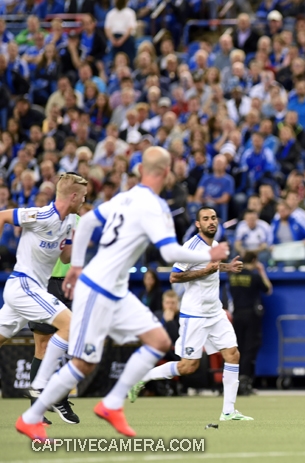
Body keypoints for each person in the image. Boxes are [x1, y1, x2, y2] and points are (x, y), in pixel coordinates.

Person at [16, 147, 231, 441]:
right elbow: (169, 252)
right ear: (167, 173)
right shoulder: (155, 206)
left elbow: (89, 221)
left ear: (142, 170)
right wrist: (212, 255)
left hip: (113, 287)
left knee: (158, 341)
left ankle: (111, 404)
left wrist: (76, 265)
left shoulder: (125, 196)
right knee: (84, 362)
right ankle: (31, 417)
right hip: (99, 288)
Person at [129, 206, 252, 421]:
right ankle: (143, 377)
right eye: (206, 219)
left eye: (213, 218)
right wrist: (206, 271)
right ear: (198, 224)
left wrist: (227, 268)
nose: (211, 222)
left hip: (214, 311)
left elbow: (211, 266)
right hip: (194, 314)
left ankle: (228, 411)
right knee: (188, 366)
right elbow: (174, 277)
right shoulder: (191, 247)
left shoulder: (214, 245)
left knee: (233, 354)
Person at [0, 173, 88, 426]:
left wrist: (79, 242)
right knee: (71, 326)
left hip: (34, 290)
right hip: (22, 286)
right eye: (82, 196)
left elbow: (64, 258)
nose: (84, 199)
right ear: (72, 196)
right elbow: (3, 216)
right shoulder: (41, 215)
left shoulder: (71, 220)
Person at [27, 212, 81, 426]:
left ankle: (60, 398)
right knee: (42, 346)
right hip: (44, 282)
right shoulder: (41, 218)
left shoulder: (80, 221)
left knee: (73, 344)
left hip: (71, 285)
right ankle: (37, 407)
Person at [228, 251, 273, 395]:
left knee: (238, 348)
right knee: (250, 348)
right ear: (254, 260)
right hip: (251, 315)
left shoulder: (232, 276)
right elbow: (268, 289)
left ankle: (235, 381)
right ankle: (245, 380)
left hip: (237, 315)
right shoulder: (254, 276)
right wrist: (261, 271)